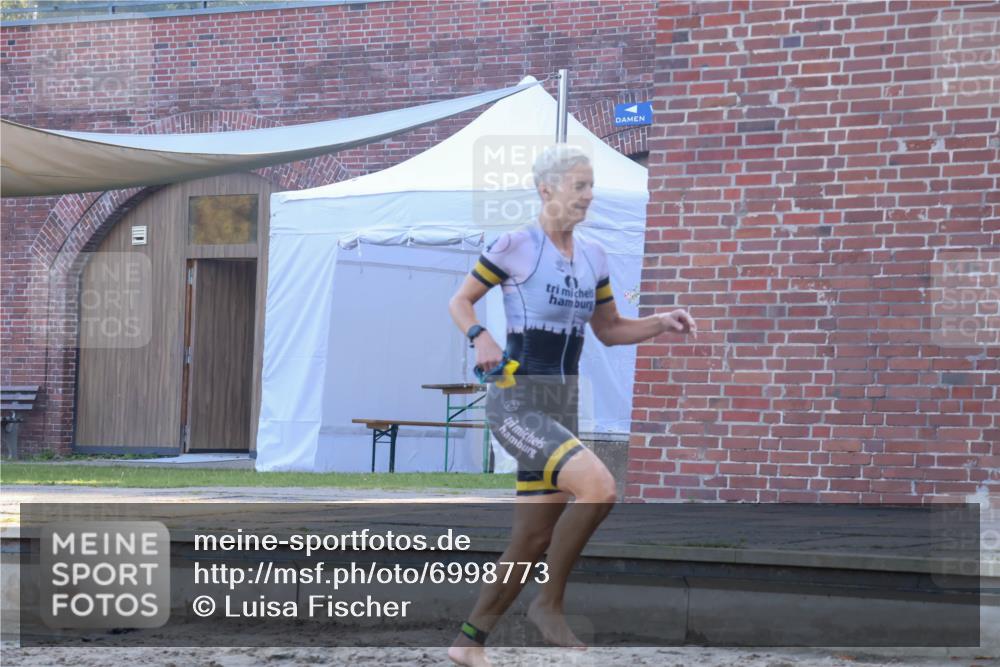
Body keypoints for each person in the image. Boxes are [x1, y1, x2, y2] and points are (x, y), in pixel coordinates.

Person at [446, 145, 696, 667]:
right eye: (579, 185)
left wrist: (660, 321)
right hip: (517, 402)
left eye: (590, 185)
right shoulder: (515, 245)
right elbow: (460, 300)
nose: (589, 195)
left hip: (562, 403)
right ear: (547, 190)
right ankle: (549, 603)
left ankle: (467, 643)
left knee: (532, 537)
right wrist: (479, 336)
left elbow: (608, 330)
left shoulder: (594, 256)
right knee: (600, 486)